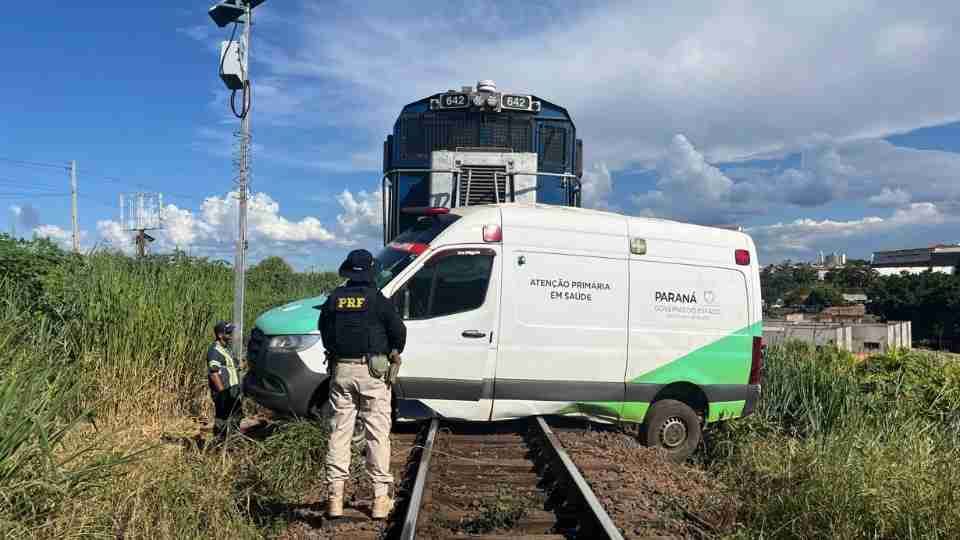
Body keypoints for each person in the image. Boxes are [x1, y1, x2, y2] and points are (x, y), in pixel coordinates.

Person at [320, 249, 406, 519]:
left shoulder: (334, 298)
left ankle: (335, 498)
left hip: (341, 371)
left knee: (339, 433)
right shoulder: (379, 301)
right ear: (370, 271)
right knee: (377, 434)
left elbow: (324, 330)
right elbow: (398, 333)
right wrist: (393, 349)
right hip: (372, 374)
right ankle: (380, 500)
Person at [207, 321, 243, 442]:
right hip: (223, 391)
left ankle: (234, 443)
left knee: (236, 416)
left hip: (233, 389)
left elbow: (236, 366)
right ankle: (218, 446)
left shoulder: (226, 350)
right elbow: (213, 372)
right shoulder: (214, 350)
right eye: (228, 333)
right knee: (222, 419)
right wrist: (222, 392)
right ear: (220, 335)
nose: (231, 335)